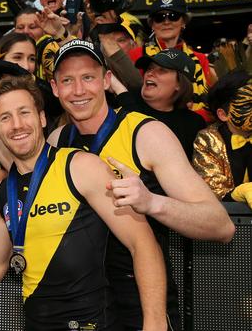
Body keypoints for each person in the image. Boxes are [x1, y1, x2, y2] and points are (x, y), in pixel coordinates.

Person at [0, 74, 167, 331]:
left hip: (93, 324)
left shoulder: (81, 167)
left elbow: (142, 242)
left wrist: (154, 323)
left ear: (42, 118)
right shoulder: (2, 193)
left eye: (24, 112)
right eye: (5, 118)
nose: (16, 125)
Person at [48, 39, 235, 330]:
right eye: (67, 80)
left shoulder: (147, 134)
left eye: (88, 77)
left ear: (107, 80)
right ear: (55, 88)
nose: (79, 90)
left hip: (140, 305)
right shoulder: (57, 141)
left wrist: (152, 202)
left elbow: (221, 226)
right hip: (80, 306)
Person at [129, 0, 214, 121]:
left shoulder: (200, 59)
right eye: (159, 17)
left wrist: (190, 119)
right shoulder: (136, 55)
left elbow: (209, 104)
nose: (166, 22)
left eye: (173, 16)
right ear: (152, 24)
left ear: (183, 22)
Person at [112, 49, 206, 158]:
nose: (150, 73)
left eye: (162, 70)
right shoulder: (120, 102)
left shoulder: (193, 124)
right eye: (149, 68)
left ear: (179, 84)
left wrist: (121, 93)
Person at [193, 72, 252, 204]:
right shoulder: (208, 139)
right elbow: (211, 187)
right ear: (223, 114)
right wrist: (239, 192)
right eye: (248, 105)